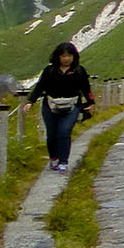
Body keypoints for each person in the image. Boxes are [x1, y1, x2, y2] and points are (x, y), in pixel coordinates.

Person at [26, 41, 94, 172]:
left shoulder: (79, 71)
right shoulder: (49, 71)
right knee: (51, 134)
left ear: (74, 57)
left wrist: (90, 103)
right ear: (58, 57)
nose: (66, 59)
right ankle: (53, 158)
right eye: (63, 56)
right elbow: (40, 87)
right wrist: (30, 101)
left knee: (64, 131)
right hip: (50, 105)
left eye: (69, 56)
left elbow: (86, 88)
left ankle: (63, 161)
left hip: (72, 105)